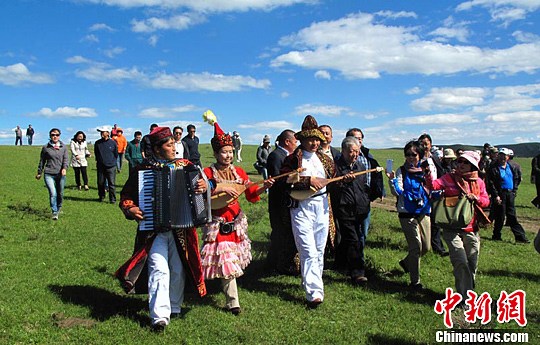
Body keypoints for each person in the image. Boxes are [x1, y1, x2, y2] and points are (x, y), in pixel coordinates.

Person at [115, 126, 208, 332]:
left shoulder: (187, 166)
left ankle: (174, 306)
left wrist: (203, 186)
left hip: (182, 229)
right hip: (154, 229)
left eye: (174, 143)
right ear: (157, 149)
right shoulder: (143, 170)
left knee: (178, 269)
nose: (174, 146)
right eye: (169, 144)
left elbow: (205, 186)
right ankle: (159, 316)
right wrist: (130, 208)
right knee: (158, 269)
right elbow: (127, 195)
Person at [200, 119, 273, 315]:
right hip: (217, 224)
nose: (228, 155)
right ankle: (234, 303)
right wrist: (219, 190)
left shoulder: (239, 172)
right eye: (224, 152)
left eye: (230, 152)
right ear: (215, 153)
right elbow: (200, 197)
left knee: (230, 262)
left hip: (235, 223)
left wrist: (263, 187)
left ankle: (201, 285)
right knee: (227, 262)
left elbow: (250, 193)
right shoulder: (207, 173)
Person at [281, 115, 335, 308]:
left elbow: (332, 178)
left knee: (319, 248)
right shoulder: (292, 159)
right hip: (301, 207)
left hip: (322, 206)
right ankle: (314, 293)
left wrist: (345, 179)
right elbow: (284, 180)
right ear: (302, 140)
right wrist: (307, 180)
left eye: (317, 139)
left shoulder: (325, 160)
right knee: (308, 249)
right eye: (311, 139)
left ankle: (311, 282)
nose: (314, 143)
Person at [425, 151, 490, 297]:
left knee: (472, 263)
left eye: (465, 162)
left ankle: (467, 291)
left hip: (471, 228)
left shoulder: (478, 182)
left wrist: (476, 198)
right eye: (459, 161)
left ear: (473, 165)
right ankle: (466, 297)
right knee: (460, 261)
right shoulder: (449, 178)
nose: (461, 164)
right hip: (451, 227)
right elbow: (433, 186)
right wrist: (428, 174)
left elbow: (486, 201)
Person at [386, 140, 431, 291]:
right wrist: (392, 181)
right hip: (407, 212)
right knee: (415, 247)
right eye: (407, 154)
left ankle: (406, 263)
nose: (410, 157)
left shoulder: (427, 170)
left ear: (420, 154)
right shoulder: (401, 171)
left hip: (424, 211)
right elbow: (397, 191)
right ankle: (415, 282)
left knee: (426, 247)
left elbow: (433, 186)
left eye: (414, 154)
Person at [330, 136, 370, 284]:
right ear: (344, 151)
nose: (355, 154)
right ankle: (357, 272)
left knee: (350, 238)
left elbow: (363, 187)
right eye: (352, 151)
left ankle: (339, 264)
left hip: (360, 208)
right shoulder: (336, 167)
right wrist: (342, 181)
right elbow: (330, 187)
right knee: (353, 239)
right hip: (344, 208)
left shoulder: (360, 166)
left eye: (357, 151)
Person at [266, 129, 300, 275]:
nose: (296, 144)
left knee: (285, 233)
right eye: (295, 141)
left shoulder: (285, 155)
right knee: (279, 233)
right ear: (287, 142)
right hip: (278, 202)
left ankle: (283, 263)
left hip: (285, 201)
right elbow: (279, 179)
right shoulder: (276, 156)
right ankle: (274, 264)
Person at [344, 128, 384, 248]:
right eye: (356, 138)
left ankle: (359, 256)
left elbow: (376, 175)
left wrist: (380, 190)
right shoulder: (341, 158)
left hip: (364, 198)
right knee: (351, 233)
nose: (359, 141)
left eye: (360, 138)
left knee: (363, 231)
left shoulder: (367, 156)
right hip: (348, 201)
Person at [486, 148, 530, 243]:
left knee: (512, 216)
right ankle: (496, 235)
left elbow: (516, 178)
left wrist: (514, 191)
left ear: (508, 157)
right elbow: (491, 183)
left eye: (504, 155)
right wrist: (496, 195)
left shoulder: (511, 167)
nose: (502, 157)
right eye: (500, 155)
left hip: (510, 193)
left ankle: (520, 237)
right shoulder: (493, 168)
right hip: (500, 193)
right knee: (500, 216)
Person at [418, 133, 448, 257]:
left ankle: (437, 247)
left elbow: (440, 173)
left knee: (435, 221)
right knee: (423, 220)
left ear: (431, 144)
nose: (425, 146)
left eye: (427, 143)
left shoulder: (434, 158)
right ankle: (422, 245)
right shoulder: (417, 159)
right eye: (422, 144)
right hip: (422, 194)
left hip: (435, 192)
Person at [36, 128, 69, 220]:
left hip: (60, 174)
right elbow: (42, 161)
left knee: (60, 193)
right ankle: (54, 211)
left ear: (59, 136)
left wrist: (64, 168)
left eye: (57, 135)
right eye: (53, 135)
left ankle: (59, 207)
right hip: (49, 173)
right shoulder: (46, 147)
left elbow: (66, 159)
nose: (55, 136)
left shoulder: (63, 147)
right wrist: (39, 172)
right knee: (53, 193)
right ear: (50, 136)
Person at [94, 127, 118, 203]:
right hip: (101, 166)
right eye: (101, 132)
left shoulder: (113, 143)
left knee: (111, 184)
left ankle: (113, 199)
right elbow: (96, 154)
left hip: (111, 166)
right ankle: (101, 196)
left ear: (108, 133)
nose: (101, 134)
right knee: (100, 183)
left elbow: (116, 154)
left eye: (103, 132)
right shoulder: (97, 143)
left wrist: (112, 162)